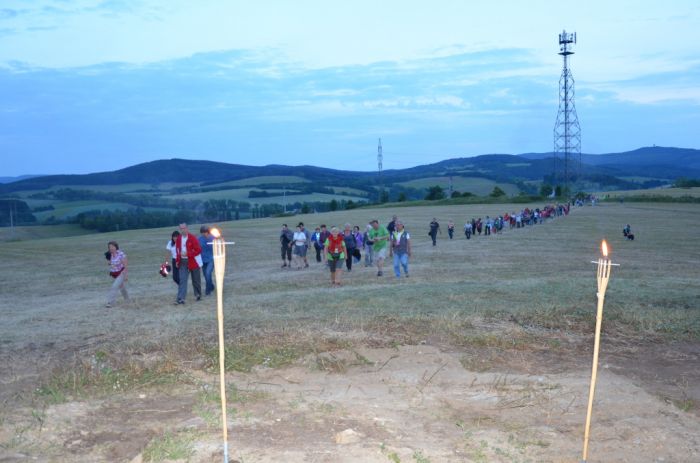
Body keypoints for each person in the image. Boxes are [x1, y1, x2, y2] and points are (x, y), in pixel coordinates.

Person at [175, 223, 203, 304]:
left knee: (196, 279)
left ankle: (198, 295)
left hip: (193, 261)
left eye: (184, 228)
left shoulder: (192, 238)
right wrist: (177, 260)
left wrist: (188, 253)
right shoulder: (179, 239)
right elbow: (177, 251)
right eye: (181, 229)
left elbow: (198, 250)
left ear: (187, 228)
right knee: (182, 280)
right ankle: (180, 298)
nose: (183, 230)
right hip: (182, 262)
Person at [106, 241, 129, 308]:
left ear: (116, 247)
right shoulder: (109, 254)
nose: (111, 248)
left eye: (113, 246)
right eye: (110, 247)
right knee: (122, 287)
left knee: (114, 286)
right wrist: (110, 263)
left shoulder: (121, 254)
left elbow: (125, 265)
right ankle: (127, 300)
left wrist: (126, 275)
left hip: (121, 272)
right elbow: (109, 262)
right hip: (114, 273)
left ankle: (110, 302)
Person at [199, 225, 215, 296]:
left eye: (205, 232)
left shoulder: (213, 238)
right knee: (206, 275)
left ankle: (207, 290)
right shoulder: (199, 239)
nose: (204, 234)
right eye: (202, 232)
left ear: (208, 232)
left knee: (208, 273)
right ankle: (211, 286)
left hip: (211, 259)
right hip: (203, 260)